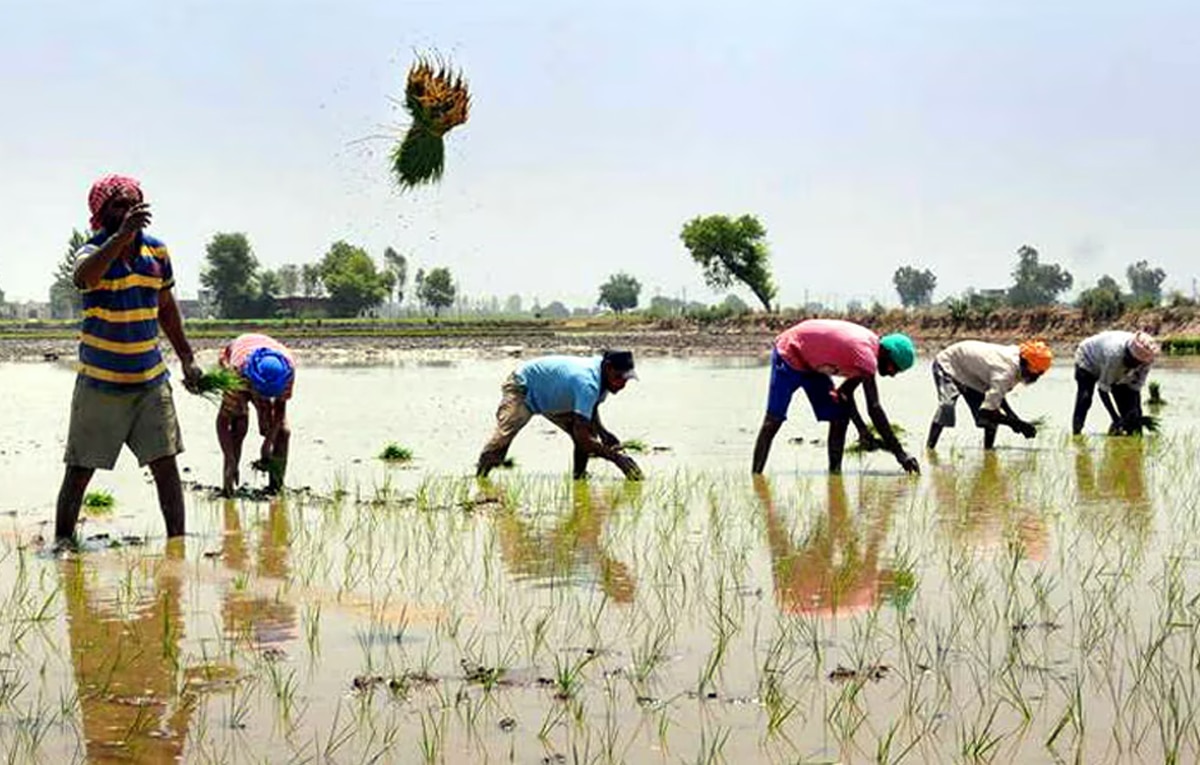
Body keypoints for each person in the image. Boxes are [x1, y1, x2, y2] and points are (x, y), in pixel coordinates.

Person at [55, 174, 201, 543]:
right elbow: (84, 277)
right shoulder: (92, 250)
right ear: (101, 213)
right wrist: (120, 238)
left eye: (133, 204)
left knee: (166, 466)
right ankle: (63, 544)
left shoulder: (157, 252)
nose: (128, 211)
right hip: (101, 383)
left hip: (150, 381)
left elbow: (166, 308)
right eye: (118, 206)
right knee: (80, 469)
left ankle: (177, 546)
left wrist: (187, 358)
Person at [750, 319, 920, 475]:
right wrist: (900, 453)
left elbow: (844, 393)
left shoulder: (866, 356)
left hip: (813, 366)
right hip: (790, 352)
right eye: (894, 369)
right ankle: (756, 477)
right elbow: (874, 408)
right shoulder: (866, 355)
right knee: (773, 420)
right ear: (887, 354)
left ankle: (835, 475)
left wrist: (862, 430)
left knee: (839, 416)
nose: (892, 374)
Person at [476, 350, 643, 480]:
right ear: (607, 367)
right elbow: (583, 437)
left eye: (626, 380)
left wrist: (602, 432)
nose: (622, 385)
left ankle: (579, 477)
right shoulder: (588, 382)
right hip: (524, 387)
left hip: (555, 398)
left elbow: (589, 408)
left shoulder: (603, 380)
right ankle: (481, 477)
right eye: (619, 378)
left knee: (588, 433)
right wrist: (618, 459)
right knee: (504, 436)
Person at [925, 339, 1051, 451]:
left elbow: (997, 396)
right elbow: (987, 412)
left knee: (989, 421)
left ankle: (988, 452)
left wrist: (1014, 418)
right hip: (948, 364)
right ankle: (929, 449)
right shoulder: (1005, 372)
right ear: (1026, 366)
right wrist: (1017, 424)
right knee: (947, 406)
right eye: (1035, 375)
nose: (1035, 378)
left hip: (973, 376)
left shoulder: (1019, 360)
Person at [216, 333, 296, 495]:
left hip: (263, 360)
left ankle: (276, 486)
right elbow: (223, 423)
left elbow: (280, 409)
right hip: (237, 358)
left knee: (282, 432)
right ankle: (229, 483)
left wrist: (267, 443)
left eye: (269, 396)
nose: (264, 400)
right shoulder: (235, 376)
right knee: (239, 425)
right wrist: (229, 458)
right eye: (261, 394)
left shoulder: (286, 373)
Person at [1072, 330, 1159, 435]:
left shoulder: (1146, 360)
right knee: (1085, 398)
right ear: (1128, 355)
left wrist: (1135, 413)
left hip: (1113, 364)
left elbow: (1135, 389)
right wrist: (1115, 418)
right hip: (1088, 359)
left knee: (1128, 412)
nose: (1134, 366)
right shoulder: (1114, 355)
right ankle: (1077, 430)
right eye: (1133, 362)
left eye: (1137, 364)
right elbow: (1103, 390)